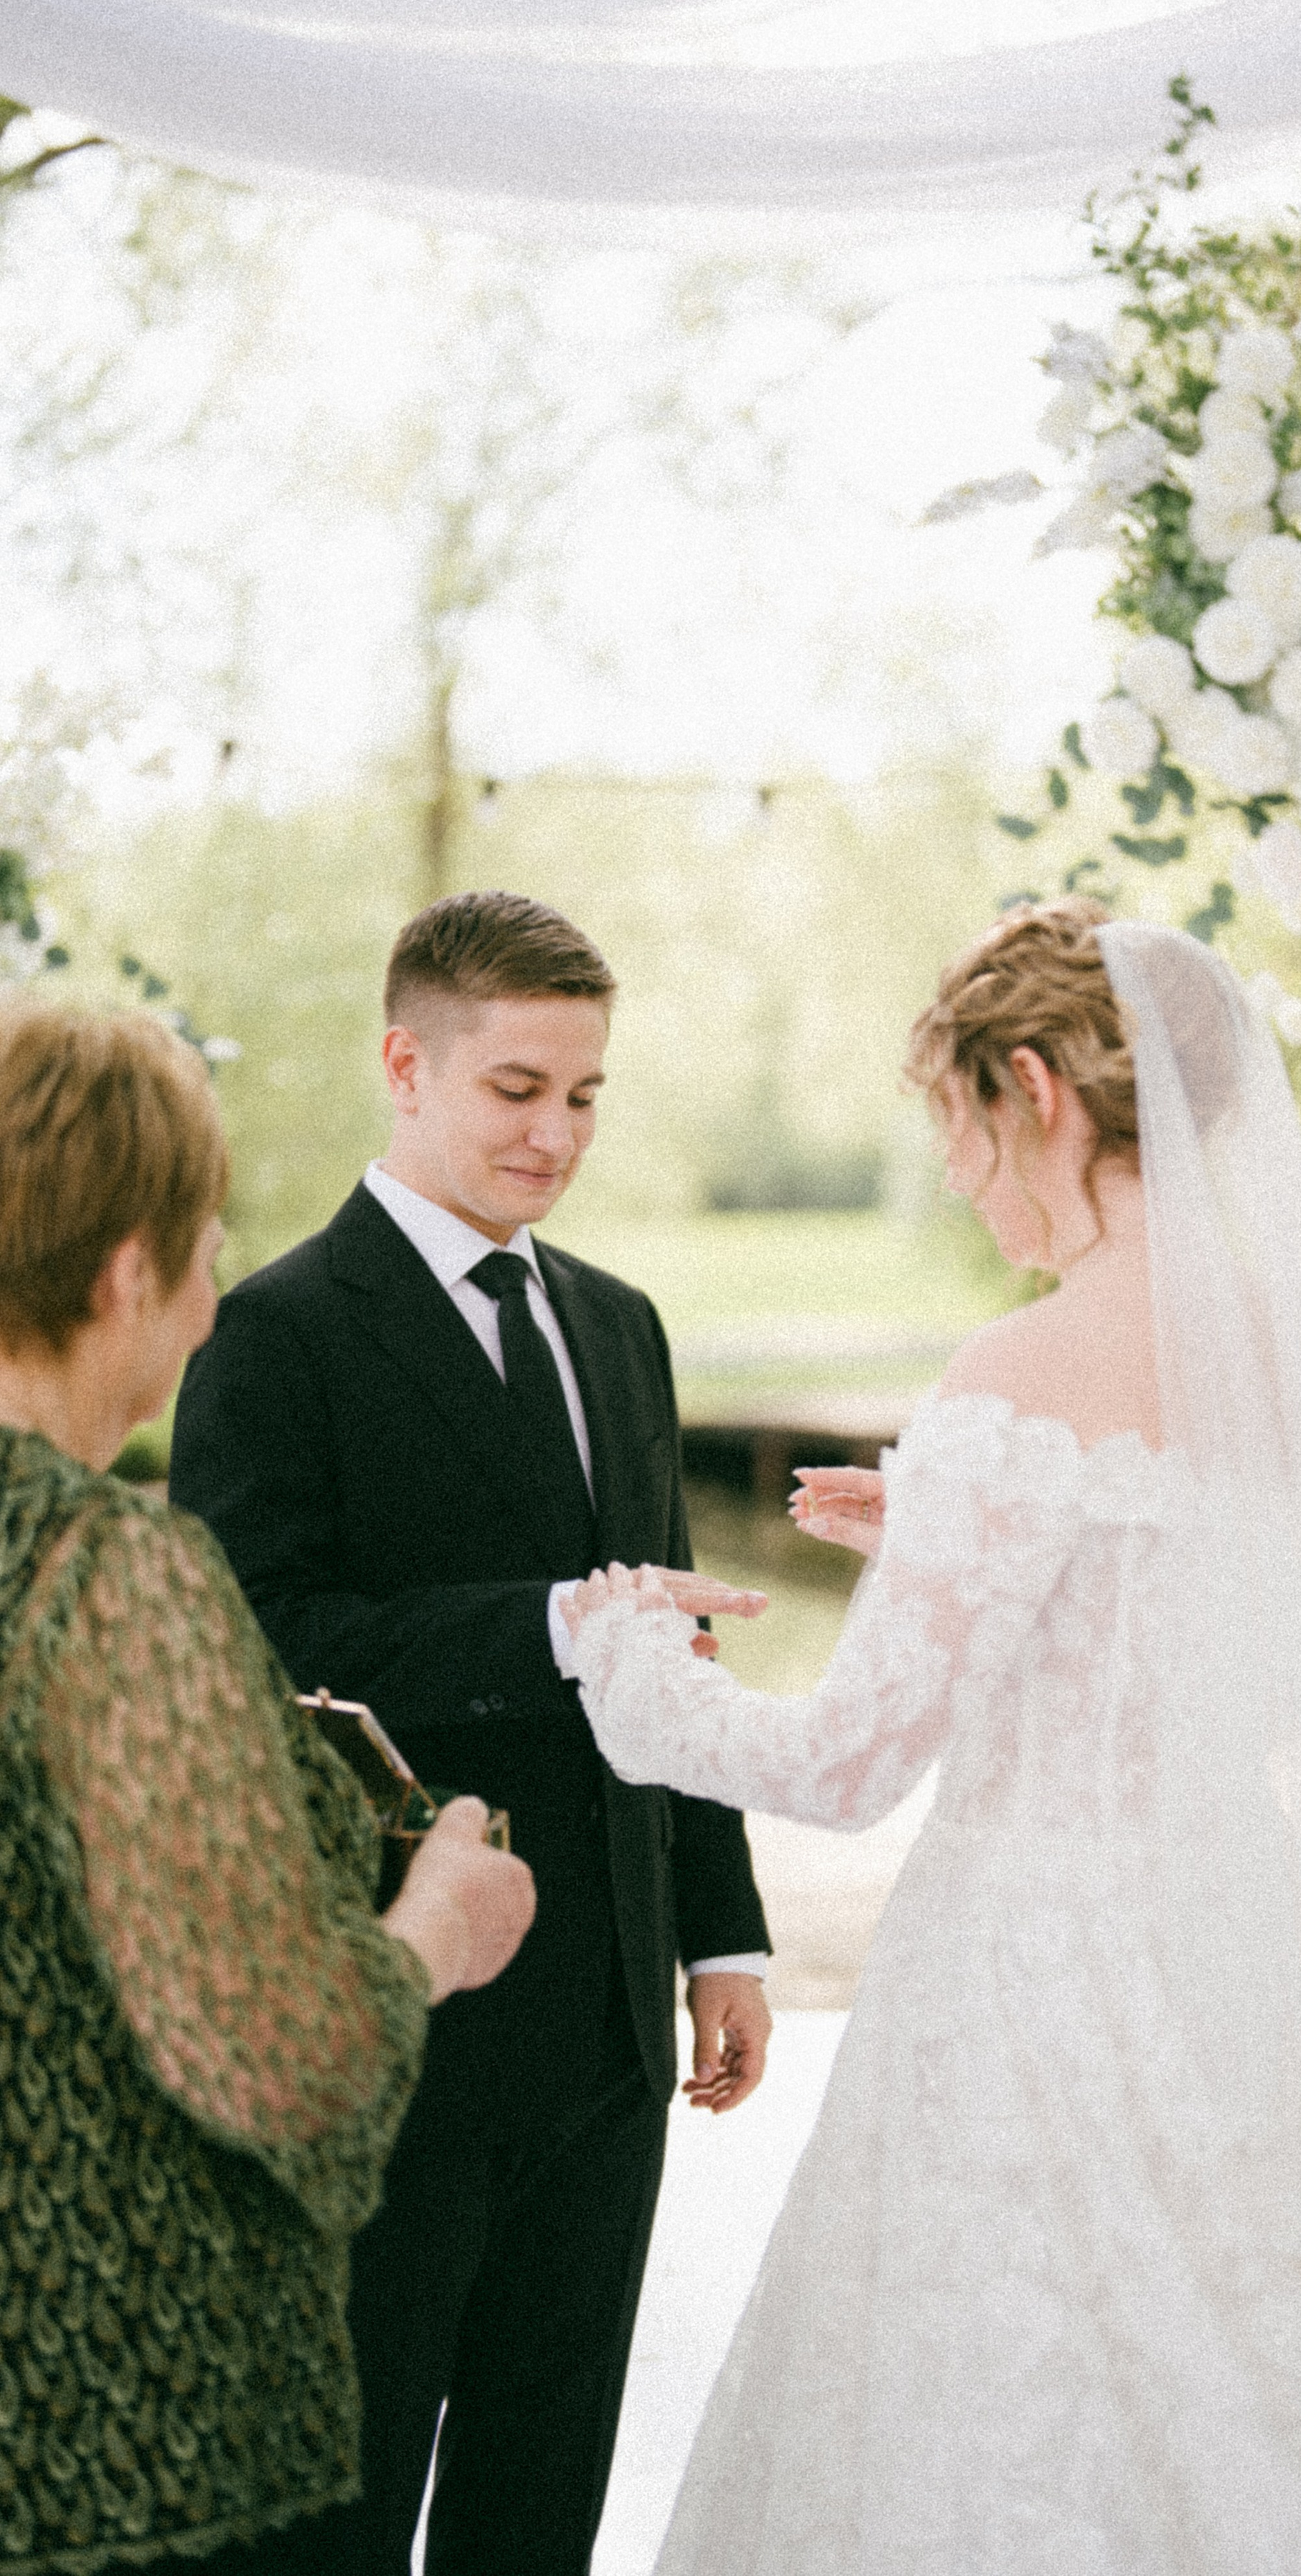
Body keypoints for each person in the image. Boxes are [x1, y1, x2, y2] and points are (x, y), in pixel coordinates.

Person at [567, 900, 1301, 2575]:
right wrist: (934, 1539)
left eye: (962, 1134)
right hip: (1251, 1962)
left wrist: (626, 1667)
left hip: (1029, 1992)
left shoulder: (1017, 1368)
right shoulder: (1276, 1366)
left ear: (1032, 1086)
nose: (969, 1188)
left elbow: (842, 1769)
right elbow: (1217, 1633)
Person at [169, 889, 772, 2576]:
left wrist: (717, 1930)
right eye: (517, 1089)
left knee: (542, 2503)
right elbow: (264, 1639)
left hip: (608, 2029)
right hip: (396, 2026)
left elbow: (666, 1656)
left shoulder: (623, 1328)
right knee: (344, 2514)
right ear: (402, 1064)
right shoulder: (273, 1336)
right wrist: (548, 1625)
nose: (556, 1135)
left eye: (585, 1096)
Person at [0, 1000, 535, 2576]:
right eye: (205, 1244)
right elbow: (277, 2054)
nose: (216, 1295)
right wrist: (435, 1917)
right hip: (113, 2431)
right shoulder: (107, 1575)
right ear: (124, 1272)